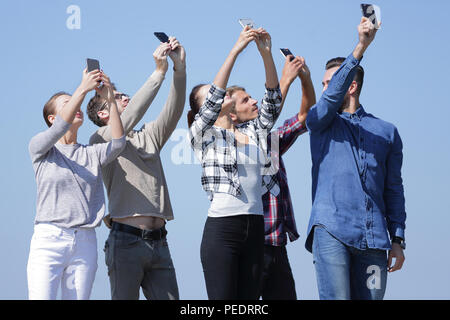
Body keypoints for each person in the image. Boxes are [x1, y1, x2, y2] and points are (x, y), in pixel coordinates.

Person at [305, 17, 406, 300]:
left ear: (350, 86)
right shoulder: (319, 121)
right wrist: (361, 46)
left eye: (330, 83)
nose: (325, 90)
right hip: (331, 230)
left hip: (374, 240)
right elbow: (325, 104)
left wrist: (397, 239)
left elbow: (394, 189)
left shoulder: (387, 132)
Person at [87, 38, 186, 300]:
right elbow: (131, 115)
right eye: (117, 97)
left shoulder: (147, 136)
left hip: (160, 242)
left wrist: (179, 69)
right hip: (125, 243)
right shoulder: (100, 139)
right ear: (103, 114)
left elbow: (173, 110)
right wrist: (158, 72)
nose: (126, 97)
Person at [188, 26, 281, 300]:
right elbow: (215, 97)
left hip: (255, 228)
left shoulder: (253, 132)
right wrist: (236, 50)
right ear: (200, 109)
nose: (220, 94)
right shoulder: (202, 134)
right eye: (211, 95)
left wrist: (266, 54)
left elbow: (273, 101)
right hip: (222, 230)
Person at [27, 70, 125, 300]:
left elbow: (119, 143)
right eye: (68, 103)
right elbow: (60, 128)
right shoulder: (40, 148)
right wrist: (82, 88)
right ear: (52, 118)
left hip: (84, 241)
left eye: (77, 101)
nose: (77, 104)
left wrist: (110, 99)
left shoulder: (91, 154)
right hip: (49, 239)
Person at [249, 55, 316, 300]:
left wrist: (305, 79)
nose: (254, 101)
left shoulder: (271, 142)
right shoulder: (234, 144)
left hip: (277, 245)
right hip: (252, 246)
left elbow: (304, 117)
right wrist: (285, 79)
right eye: (246, 100)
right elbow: (263, 121)